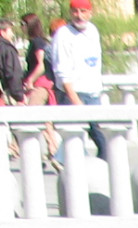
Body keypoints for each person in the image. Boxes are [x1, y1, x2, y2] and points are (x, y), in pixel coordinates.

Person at [49, 0, 103, 154]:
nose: (79, 16)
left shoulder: (93, 31)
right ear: (70, 13)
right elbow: (62, 71)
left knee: (100, 136)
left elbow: (95, 63)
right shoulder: (63, 34)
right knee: (74, 137)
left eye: (83, 11)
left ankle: (63, 160)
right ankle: (66, 164)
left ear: (90, 13)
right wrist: (74, 99)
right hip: (73, 93)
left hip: (93, 93)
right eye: (75, 11)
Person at [0, 19, 26, 106]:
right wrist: (19, 96)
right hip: (10, 93)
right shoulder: (8, 49)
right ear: (2, 32)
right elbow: (13, 73)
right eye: (10, 31)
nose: (12, 34)